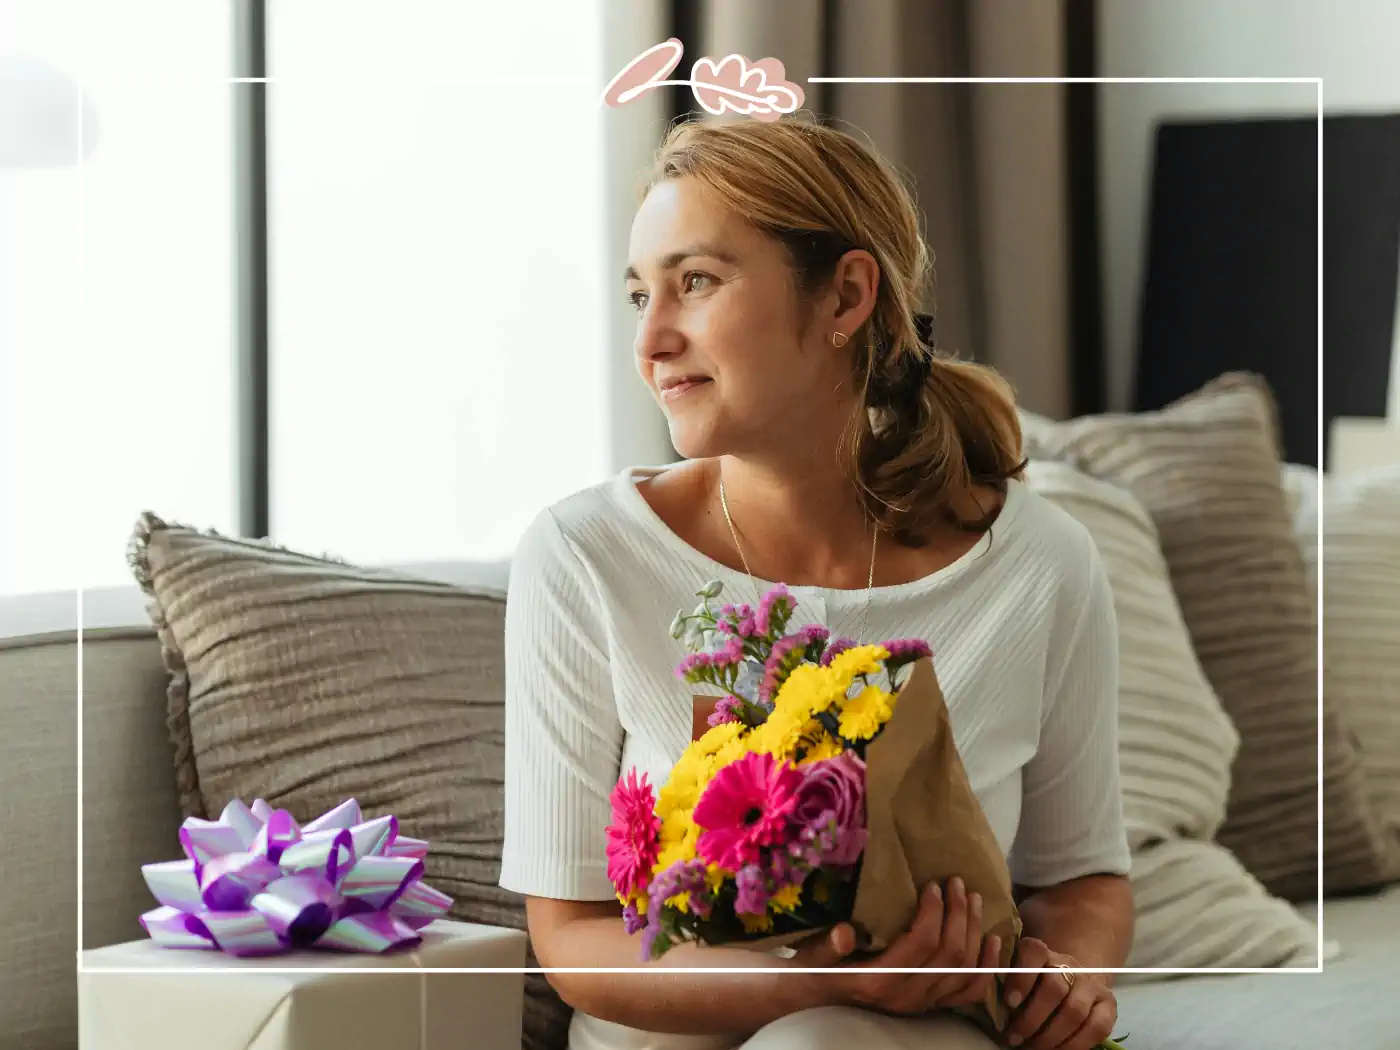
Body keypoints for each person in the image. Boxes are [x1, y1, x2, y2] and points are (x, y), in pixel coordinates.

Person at [498, 116, 1134, 1050]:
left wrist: (1064, 982)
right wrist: (807, 985)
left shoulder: (1039, 566)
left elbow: (1081, 881)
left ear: (844, 294)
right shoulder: (583, 556)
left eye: (696, 282)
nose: (653, 340)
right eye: (640, 295)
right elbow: (571, 938)